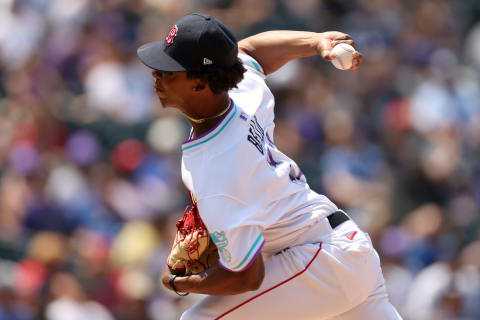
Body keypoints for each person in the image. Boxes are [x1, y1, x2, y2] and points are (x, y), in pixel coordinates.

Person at [137, 13, 402, 320]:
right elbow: (249, 52)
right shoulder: (239, 91)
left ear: (199, 83)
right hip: (340, 253)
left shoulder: (218, 171)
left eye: (170, 71)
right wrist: (315, 42)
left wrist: (180, 282)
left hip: (319, 262)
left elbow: (247, 277)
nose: (157, 75)